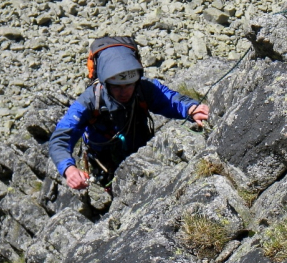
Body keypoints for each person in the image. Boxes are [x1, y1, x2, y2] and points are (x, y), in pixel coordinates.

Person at [49, 44, 209, 190]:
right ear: (105, 84)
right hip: (104, 161)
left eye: (129, 85)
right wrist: (69, 169)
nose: (124, 91)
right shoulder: (90, 101)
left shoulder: (143, 87)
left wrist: (191, 108)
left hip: (141, 151)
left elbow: (170, 100)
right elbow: (60, 138)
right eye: (117, 87)